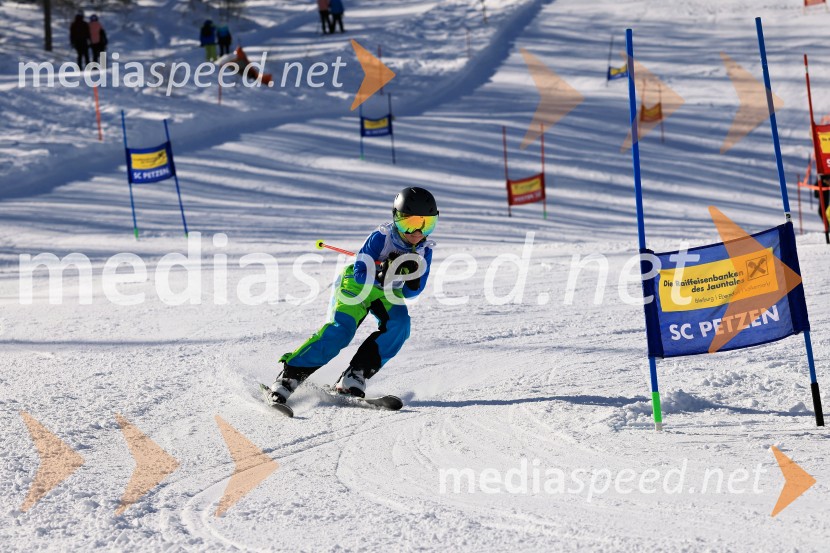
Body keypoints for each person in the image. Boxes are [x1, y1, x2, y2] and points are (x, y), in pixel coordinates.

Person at [264, 187, 439, 405]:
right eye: (410, 223)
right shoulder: (381, 237)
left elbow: (411, 292)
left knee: (400, 325)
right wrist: (383, 271)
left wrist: (412, 280)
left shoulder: (424, 251)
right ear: (397, 219)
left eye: (427, 223)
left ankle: (355, 375)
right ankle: (290, 374)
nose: (417, 232)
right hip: (357, 286)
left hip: (388, 293)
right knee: (342, 331)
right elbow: (360, 272)